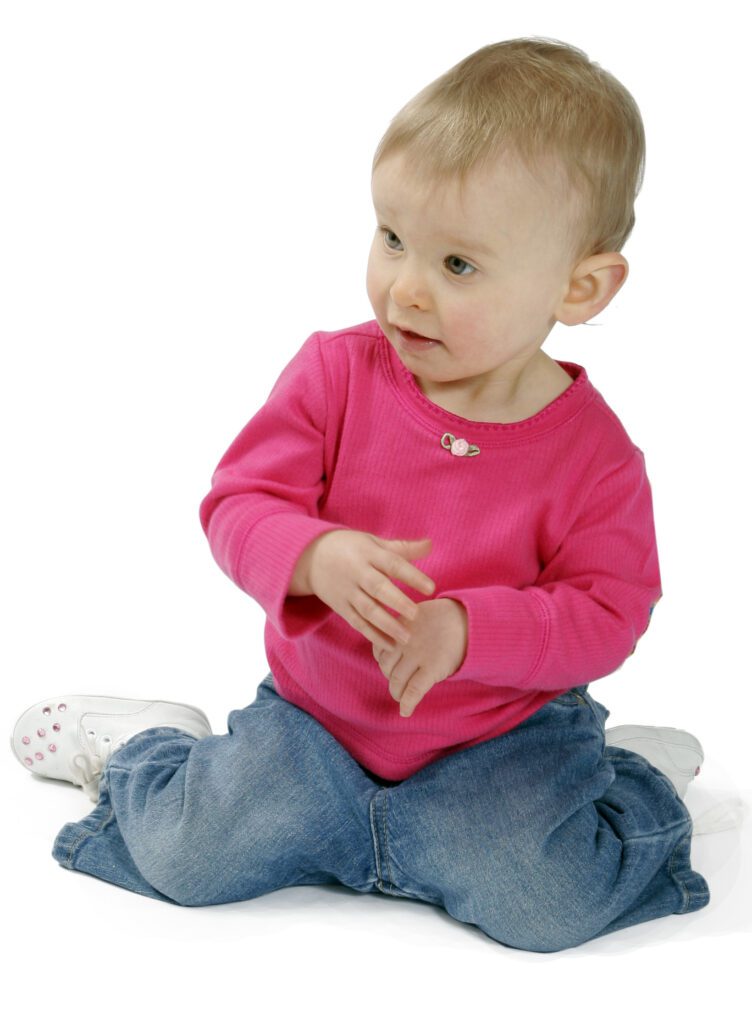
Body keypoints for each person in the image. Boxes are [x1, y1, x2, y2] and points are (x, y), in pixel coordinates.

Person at [11, 37, 710, 952]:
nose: (406, 290)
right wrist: (310, 554)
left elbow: (611, 611)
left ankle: (627, 780)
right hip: (320, 720)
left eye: (458, 266)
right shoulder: (338, 373)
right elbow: (236, 503)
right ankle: (148, 750)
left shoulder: (597, 455)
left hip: (503, 739)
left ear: (580, 286)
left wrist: (469, 632)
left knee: (547, 905)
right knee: (192, 856)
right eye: (392, 238)